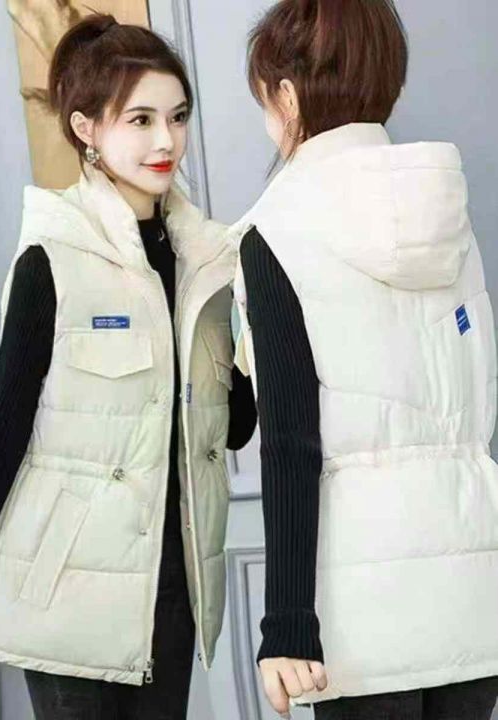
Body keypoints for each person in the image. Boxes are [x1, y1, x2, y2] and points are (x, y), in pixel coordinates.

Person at [0, 14, 256, 720]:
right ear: (86, 128)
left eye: (177, 117)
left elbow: (236, 426)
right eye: (140, 119)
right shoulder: (52, 260)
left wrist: (257, 333)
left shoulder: (208, 263)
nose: (166, 141)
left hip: (170, 588)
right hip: (67, 590)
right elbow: (3, 429)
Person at [229, 0, 498, 717]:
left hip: (361, 611)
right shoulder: (448, 215)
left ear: (287, 97)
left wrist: (286, 624)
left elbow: (291, 442)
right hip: (475, 592)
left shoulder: (276, 231)